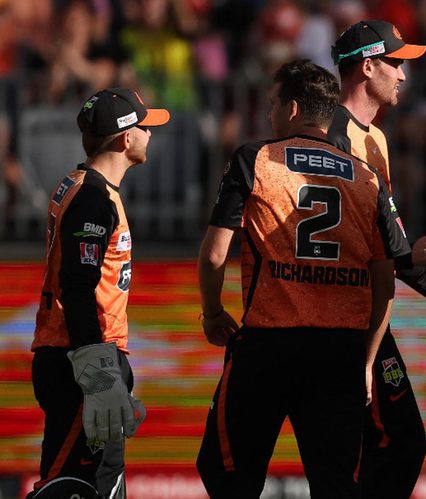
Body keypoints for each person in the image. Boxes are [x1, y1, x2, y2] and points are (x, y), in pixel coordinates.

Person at [195, 60, 405, 498]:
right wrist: (366, 362)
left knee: (227, 471)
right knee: (336, 484)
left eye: (272, 106)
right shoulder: (367, 178)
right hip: (339, 351)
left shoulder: (256, 159)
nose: (269, 115)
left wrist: (213, 313)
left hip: (267, 345)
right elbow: (385, 282)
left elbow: (216, 253)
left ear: (291, 109)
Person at [325, 19, 426, 497]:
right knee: (391, 442)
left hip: (366, 315)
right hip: (340, 320)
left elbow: (392, 244)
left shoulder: (375, 138)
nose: (404, 75)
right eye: (396, 63)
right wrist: (406, 254)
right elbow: (356, 243)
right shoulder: (332, 136)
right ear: (367, 67)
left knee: (389, 443)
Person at [29, 88, 169, 499]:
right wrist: (97, 374)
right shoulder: (92, 196)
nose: (151, 134)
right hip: (79, 359)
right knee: (68, 487)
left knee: (101, 484)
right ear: (126, 139)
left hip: (80, 355)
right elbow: (76, 286)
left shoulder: (83, 184)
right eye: (146, 127)